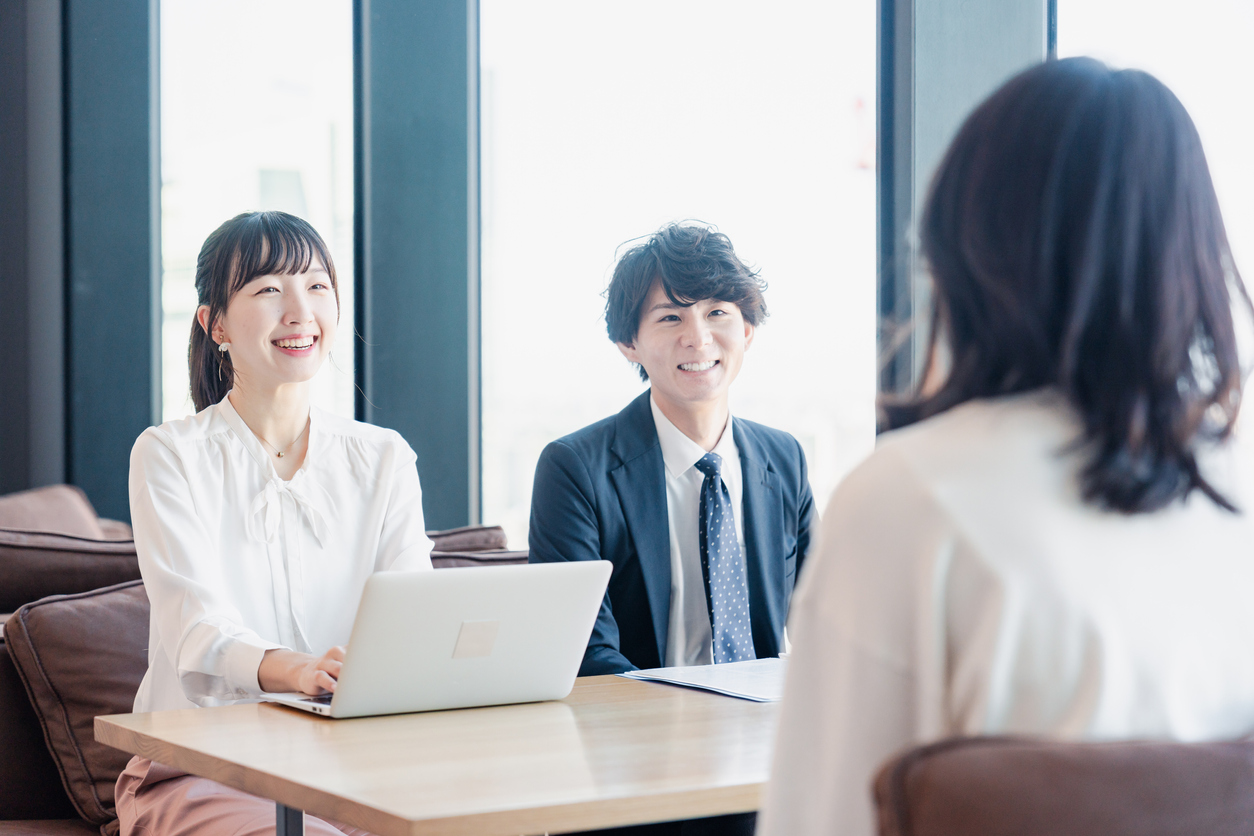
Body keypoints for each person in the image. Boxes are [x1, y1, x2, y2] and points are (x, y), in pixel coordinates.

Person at [759, 57, 1254, 836]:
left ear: (966, 239)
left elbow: (816, 823)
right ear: (1192, 249)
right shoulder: (1235, 493)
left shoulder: (911, 499)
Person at [116, 211, 433, 836]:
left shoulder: (384, 456)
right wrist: (301, 670)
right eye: (267, 290)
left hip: (352, 760)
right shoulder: (168, 453)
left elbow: (416, 611)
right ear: (216, 325)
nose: (299, 311)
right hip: (200, 765)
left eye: (317, 286)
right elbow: (195, 629)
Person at [529, 222, 815, 675]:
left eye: (717, 312)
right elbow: (584, 650)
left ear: (748, 330)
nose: (698, 338)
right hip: (640, 730)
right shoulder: (574, 468)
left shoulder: (784, 459)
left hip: (762, 725)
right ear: (629, 344)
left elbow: (825, 620)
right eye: (670, 317)